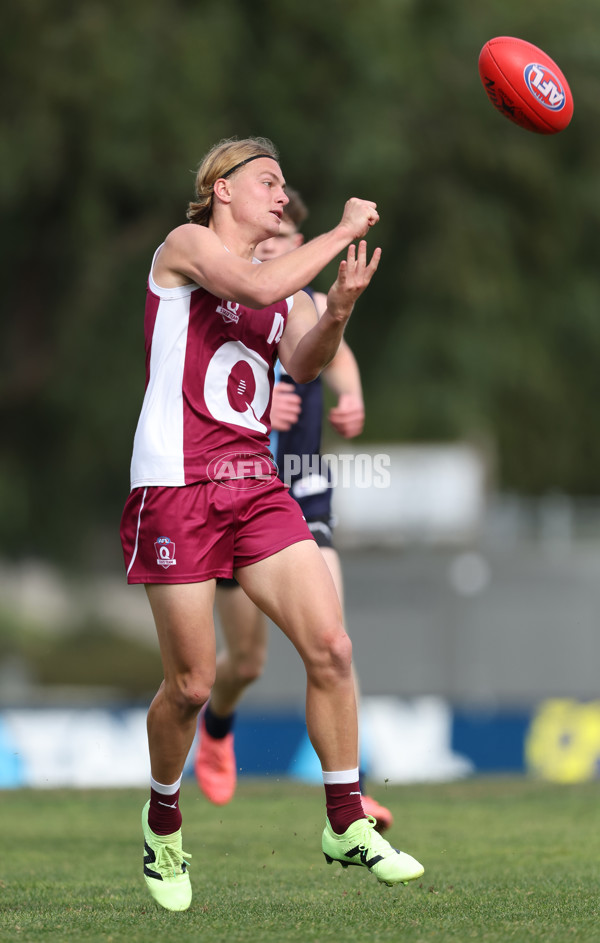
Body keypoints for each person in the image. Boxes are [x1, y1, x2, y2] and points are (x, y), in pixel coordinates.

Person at [120, 136, 424, 912]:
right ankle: (162, 824)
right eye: (268, 180)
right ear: (220, 188)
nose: (282, 194)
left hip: (255, 483)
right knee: (190, 683)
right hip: (178, 486)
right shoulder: (186, 246)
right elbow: (252, 294)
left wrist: (341, 307)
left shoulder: (282, 288)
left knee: (332, 644)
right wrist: (341, 233)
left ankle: (345, 817)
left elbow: (304, 359)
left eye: (286, 184)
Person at [193, 187, 393, 831]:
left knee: (333, 642)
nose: (275, 252)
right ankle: (217, 725)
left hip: (300, 488)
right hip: (233, 490)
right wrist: (262, 409)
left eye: (285, 244)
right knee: (245, 661)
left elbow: (336, 352)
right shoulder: (222, 301)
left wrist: (352, 394)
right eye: (269, 243)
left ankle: (350, 795)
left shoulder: (303, 302)